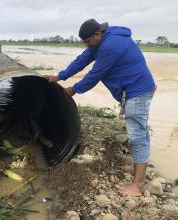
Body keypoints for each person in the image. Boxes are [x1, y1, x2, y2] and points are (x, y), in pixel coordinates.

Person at [45, 19, 156, 196]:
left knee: (137, 136)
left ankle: (137, 185)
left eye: (89, 41)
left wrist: (74, 90)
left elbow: (95, 74)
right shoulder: (101, 42)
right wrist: (60, 77)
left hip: (138, 91)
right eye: (86, 43)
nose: (88, 46)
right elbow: (81, 60)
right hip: (135, 89)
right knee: (139, 132)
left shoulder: (111, 46)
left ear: (97, 34)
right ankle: (138, 170)